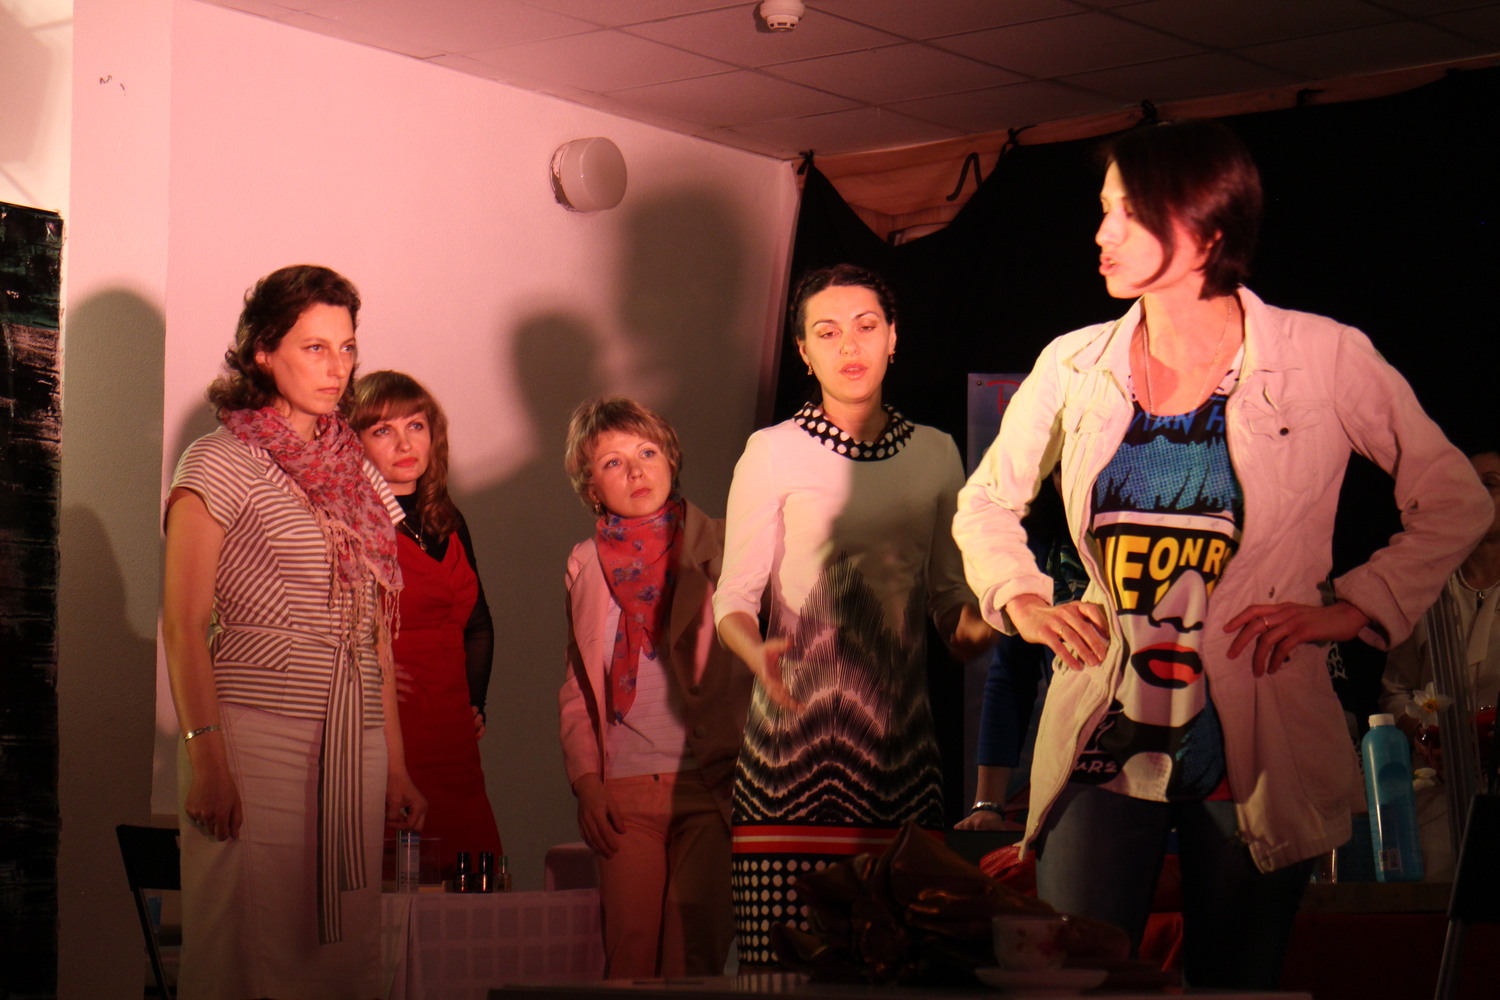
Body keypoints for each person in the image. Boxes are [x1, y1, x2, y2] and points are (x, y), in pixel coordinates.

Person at [952, 119, 1490, 989]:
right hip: (1102, 725)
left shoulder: (1321, 355)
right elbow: (985, 500)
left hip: (1257, 732)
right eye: (1104, 210)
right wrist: (1022, 600)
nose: (1102, 234)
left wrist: (1353, 606)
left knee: (1235, 984)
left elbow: (1454, 498)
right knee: (1072, 979)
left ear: (1205, 229)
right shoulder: (1074, 362)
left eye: (1130, 213)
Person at [713, 264, 995, 966]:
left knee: (900, 972)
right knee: (782, 972)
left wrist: (997, 619)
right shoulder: (772, 451)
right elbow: (734, 599)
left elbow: (949, 603)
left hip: (903, 761)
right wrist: (756, 652)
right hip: (788, 760)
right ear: (803, 352)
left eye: (867, 327)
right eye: (828, 331)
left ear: (893, 338)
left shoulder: (936, 451)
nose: (850, 345)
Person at [162, 265, 426, 999]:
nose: (337, 368)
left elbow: (372, 629)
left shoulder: (356, 472)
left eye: (347, 348)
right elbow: (183, 623)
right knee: (247, 951)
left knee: (340, 955)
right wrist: (207, 758)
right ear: (262, 352)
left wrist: (395, 763)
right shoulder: (218, 460)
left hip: (353, 738)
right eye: (315, 348)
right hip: (256, 731)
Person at [558, 397, 751, 978]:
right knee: (631, 958)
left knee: (693, 958)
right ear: (591, 487)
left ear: (670, 460)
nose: (636, 471)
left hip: (712, 783)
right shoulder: (584, 563)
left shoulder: (726, 545)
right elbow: (578, 685)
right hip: (625, 792)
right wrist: (587, 784)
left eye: (647, 452)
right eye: (612, 462)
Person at [349, 370, 503, 884]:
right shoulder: (353, 524)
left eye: (415, 426)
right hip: (391, 733)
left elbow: (477, 624)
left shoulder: (447, 520)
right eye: (383, 431)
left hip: (453, 738)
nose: (404, 443)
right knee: (396, 890)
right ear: (355, 443)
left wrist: (474, 703)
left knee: (472, 886)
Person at [1380, 444, 1500, 879]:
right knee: (1440, 904)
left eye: (1490, 485)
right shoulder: (1426, 589)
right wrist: (1425, 734)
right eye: (1467, 485)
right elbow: (1395, 693)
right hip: (1438, 794)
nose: (1476, 495)